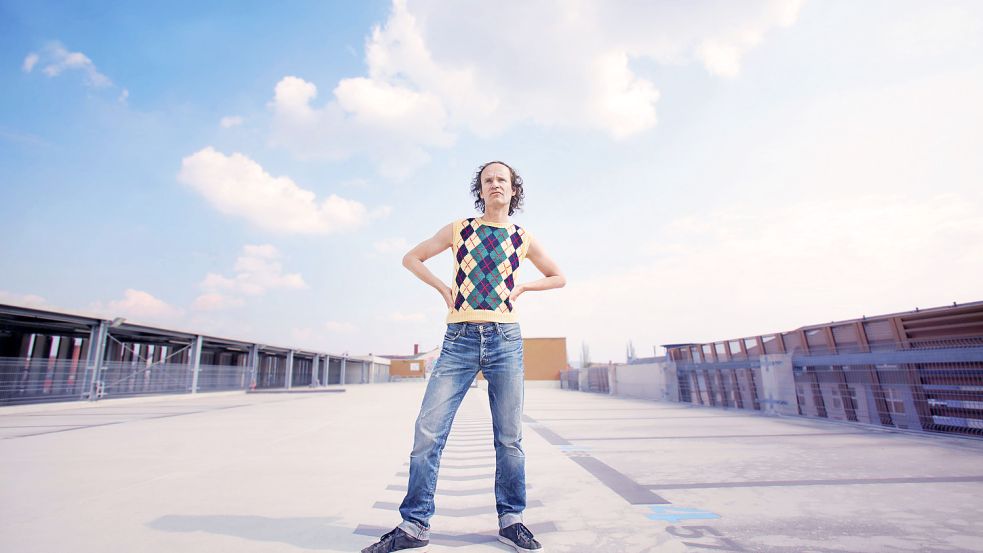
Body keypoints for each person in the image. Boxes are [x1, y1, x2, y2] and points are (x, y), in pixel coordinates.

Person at [361, 161, 566, 553]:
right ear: (481, 189)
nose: (495, 185)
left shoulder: (522, 237)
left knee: (510, 438)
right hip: (459, 339)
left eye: (501, 180)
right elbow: (412, 257)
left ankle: (512, 521)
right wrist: (442, 287)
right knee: (428, 432)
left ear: (513, 190)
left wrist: (523, 289)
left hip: (506, 339)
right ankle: (414, 525)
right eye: (488, 180)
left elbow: (559, 276)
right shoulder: (460, 229)